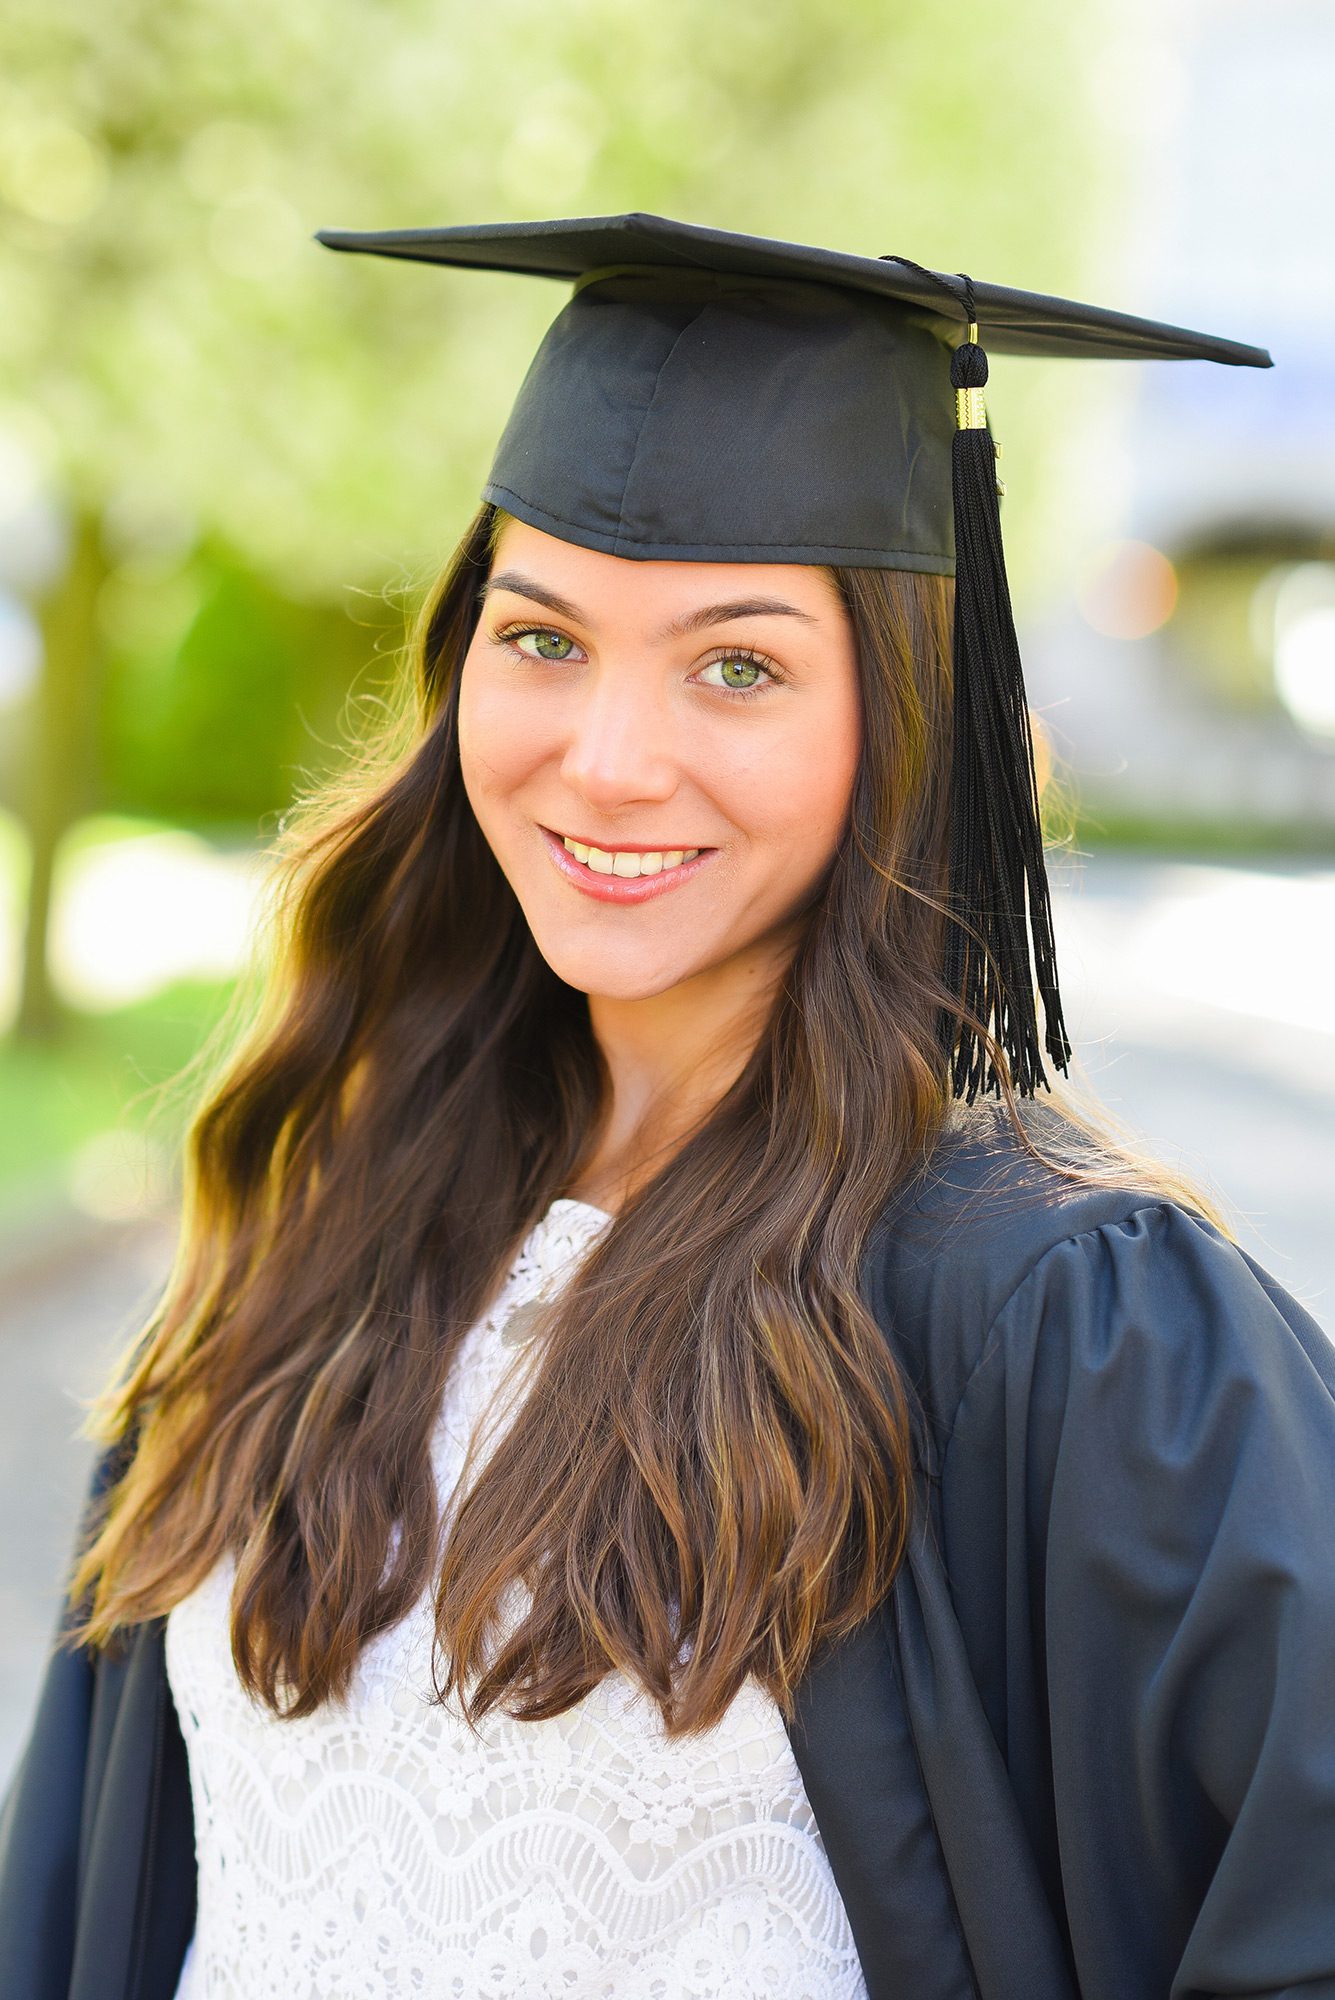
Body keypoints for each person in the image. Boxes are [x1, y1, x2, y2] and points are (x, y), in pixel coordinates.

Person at [2, 214, 1332, 2000]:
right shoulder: (316, 1216)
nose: (609, 758)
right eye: (541, 639)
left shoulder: (1064, 1326)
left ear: (904, 718)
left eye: (739, 666)